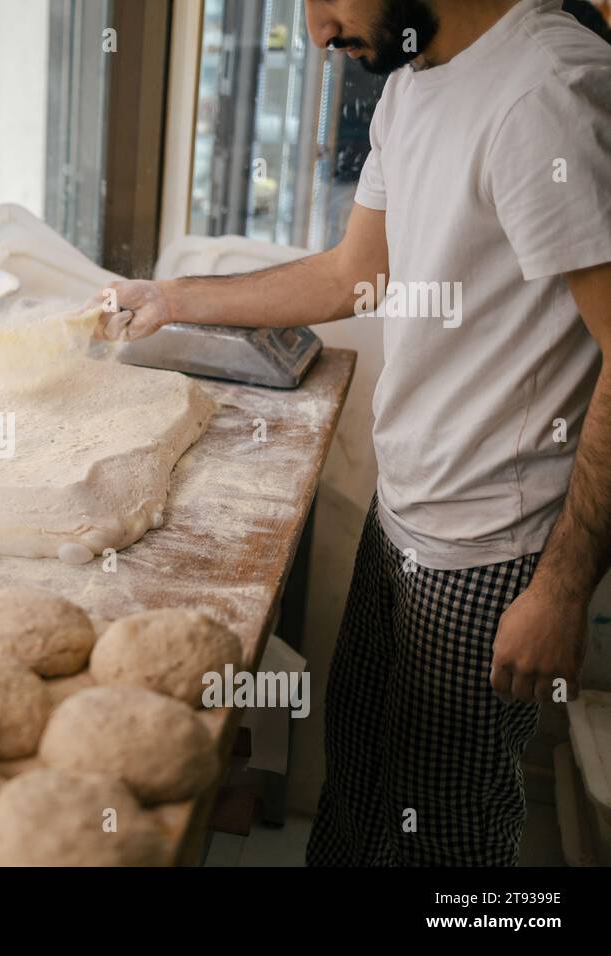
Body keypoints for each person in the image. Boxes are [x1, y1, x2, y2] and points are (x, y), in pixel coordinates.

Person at [96, 0, 611, 866]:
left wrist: (561, 586)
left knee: (442, 833)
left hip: (490, 543)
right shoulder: (416, 80)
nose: (317, 31)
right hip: (408, 504)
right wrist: (174, 298)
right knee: (363, 778)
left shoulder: (546, 92)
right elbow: (353, 274)